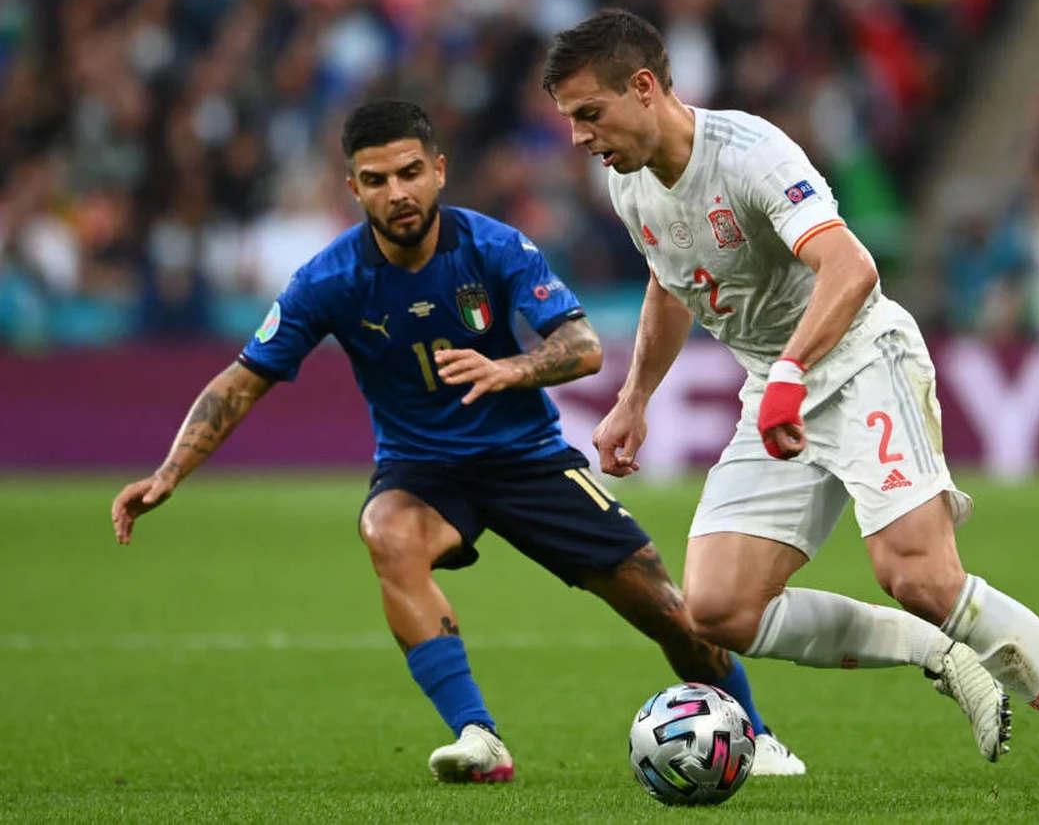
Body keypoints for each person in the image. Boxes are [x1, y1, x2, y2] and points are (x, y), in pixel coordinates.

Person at [543, 10, 1039, 808]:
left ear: (642, 88)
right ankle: (934, 653)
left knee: (919, 573)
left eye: (588, 115)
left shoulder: (751, 154)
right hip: (778, 383)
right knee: (719, 607)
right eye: (568, 122)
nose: (578, 138)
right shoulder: (627, 181)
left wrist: (791, 374)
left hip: (858, 360)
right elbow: (669, 278)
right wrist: (635, 399)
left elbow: (850, 265)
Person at [109, 99, 811, 783]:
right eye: (377, 181)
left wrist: (510, 368)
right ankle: (478, 736)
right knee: (385, 531)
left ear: (439, 170)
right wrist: (171, 470)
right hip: (422, 471)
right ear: (353, 188)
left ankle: (758, 734)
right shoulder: (329, 280)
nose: (397, 193)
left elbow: (584, 346)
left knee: (668, 609)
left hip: (528, 462)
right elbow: (241, 380)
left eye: (410, 172)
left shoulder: (494, 247)